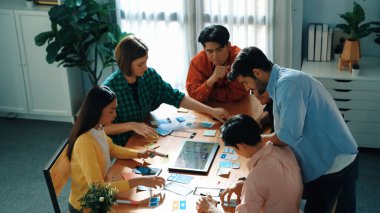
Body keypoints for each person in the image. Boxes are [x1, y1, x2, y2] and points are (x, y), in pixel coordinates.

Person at [228, 46, 359, 213]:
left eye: (246, 82)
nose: (247, 88)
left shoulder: (288, 84)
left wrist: (255, 140)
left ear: (257, 73)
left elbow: (288, 135)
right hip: (326, 159)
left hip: (335, 165)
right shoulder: (282, 82)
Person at [103, 36, 229, 146]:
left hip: (146, 138)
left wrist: (211, 111)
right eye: (140, 64)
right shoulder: (109, 88)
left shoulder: (149, 75)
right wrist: (131, 125)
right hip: (121, 146)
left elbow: (176, 97)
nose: (146, 67)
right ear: (126, 64)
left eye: (146, 61)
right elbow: (99, 129)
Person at [66, 86, 165, 213]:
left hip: (100, 197)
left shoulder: (98, 129)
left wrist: (139, 153)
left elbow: (112, 149)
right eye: (112, 110)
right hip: (86, 206)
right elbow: (99, 189)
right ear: (97, 111)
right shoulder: (85, 143)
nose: (115, 114)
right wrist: (139, 181)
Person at [196, 114, 302, 213]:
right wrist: (245, 184)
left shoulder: (256, 177)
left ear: (241, 146)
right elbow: (272, 182)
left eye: (234, 149)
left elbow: (261, 180)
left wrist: (210, 208)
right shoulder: (284, 150)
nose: (236, 153)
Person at [186, 25, 248, 103]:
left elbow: (238, 94)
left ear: (228, 45)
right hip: (208, 108)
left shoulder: (240, 59)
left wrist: (208, 92)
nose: (215, 57)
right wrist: (212, 80)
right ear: (204, 49)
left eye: (219, 50)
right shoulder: (197, 62)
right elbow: (194, 95)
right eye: (210, 51)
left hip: (240, 105)